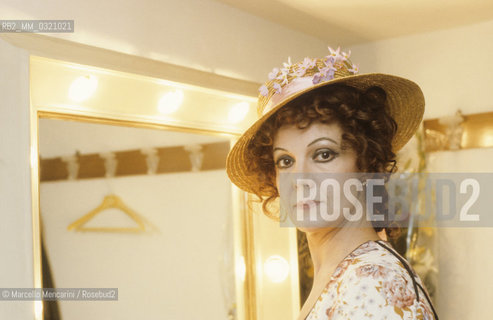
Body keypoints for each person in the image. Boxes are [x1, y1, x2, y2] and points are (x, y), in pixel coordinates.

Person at [226, 47, 439, 319]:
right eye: (285, 161)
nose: (301, 179)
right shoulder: (345, 276)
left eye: (323, 154)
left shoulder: (372, 283)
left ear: (366, 162)